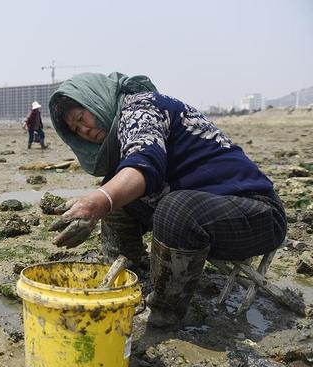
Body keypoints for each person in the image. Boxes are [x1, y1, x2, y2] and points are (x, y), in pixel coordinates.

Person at [47, 72, 286, 328]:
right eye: (76, 129)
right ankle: (126, 282)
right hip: (203, 214)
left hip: (256, 213)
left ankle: (164, 313)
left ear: (97, 100)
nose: (85, 130)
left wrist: (97, 202)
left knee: (172, 209)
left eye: (82, 117)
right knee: (116, 193)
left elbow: (145, 162)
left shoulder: (141, 107)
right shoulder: (122, 130)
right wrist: (106, 198)